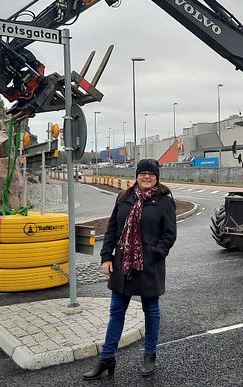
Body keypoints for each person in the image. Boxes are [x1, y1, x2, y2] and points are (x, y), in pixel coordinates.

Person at [83, 159, 177, 380]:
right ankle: (107, 358)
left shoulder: (164, 201)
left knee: (151, 311)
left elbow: (169, 235)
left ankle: (149, 354)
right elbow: (112, 228)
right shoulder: (124, 198)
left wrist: (153, 253)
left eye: (151, 174)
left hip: (149, 265)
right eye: (142, 173)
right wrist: (106, 256)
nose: (146, 177)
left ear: (157, 177)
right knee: (116, 311)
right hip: (123, 263)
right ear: (136, 175)